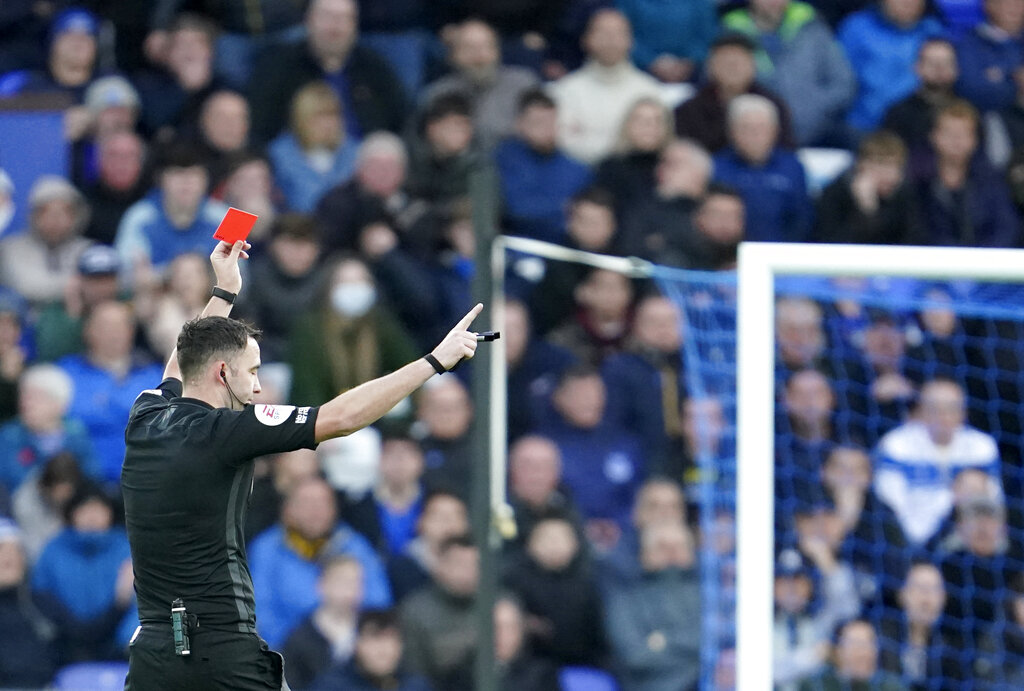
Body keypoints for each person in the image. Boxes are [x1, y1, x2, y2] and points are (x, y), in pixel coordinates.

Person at [120, 237, 484, 689]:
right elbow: (343, 417)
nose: (256, 389)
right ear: (222, 374)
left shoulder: (147, 412)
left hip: (155, 648)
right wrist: (433, 362)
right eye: (251, 372)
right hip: (218, 649)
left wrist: (225, 290)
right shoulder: (226, 433)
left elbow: (183, 360)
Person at [248, 476, 392, 649]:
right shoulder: (266, 549)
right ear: (288, 509)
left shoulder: (355, 545)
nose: (315, 511)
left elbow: (378, 604)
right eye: (306, 503)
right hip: (288, 656)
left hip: (350, 654)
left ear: (335, 509)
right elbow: (260, 613)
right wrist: (299, 649)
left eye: (323, 503)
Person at [248, 0, 408, 145]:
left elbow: (401, 123)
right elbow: (260, 127)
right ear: (308, 20)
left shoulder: (375, 68)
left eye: (345, 18)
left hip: (365, 168)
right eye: (327, 16)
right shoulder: (280, 66)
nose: (335, 26)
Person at [874, 377, 1001, 546]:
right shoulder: (896, 445)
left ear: (964, 412)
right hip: (909, 537)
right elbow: (891, 506)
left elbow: (993, 502)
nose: (945, 416)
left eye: (952, 408)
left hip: (963, 542)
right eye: (935, 409)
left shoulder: (982, 447)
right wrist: (951, 497)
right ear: (921, 411)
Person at [721, 0, 856, 146]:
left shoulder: (812, 27)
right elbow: (718, 83)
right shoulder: (730, 30)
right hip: (751, 136)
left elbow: (843, 83)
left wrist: (813, 111)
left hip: (816, 133)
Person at [56, 301, 163, 484]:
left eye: (121, 326)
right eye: (106, 327)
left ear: (131, 332)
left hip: (147, 481)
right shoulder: (65, 374)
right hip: (85, 482)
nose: (114, 333)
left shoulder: (155, 374)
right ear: (88, 331)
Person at [32, 484, 134, 663]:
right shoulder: (54, 549)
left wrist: (118, 608)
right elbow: (41, 593)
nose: (92, 517)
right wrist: (75, 629)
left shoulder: (125, 548)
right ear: (72, 514)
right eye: (84, 509)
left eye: (99, 509)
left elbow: (132, 602)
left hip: (117, 644)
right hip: (65, 642)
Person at [547, 9, 663, 164]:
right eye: (603, 33)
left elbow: (658, 142)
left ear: (631, 40)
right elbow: (564, 142)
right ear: (586, 40)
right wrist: (623, 146)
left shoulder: (649, 90)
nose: (610, 40)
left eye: (617, 33)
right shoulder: (564, 91)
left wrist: (589, 140)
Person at [603, 520, 702, 691]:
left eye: (679, 546)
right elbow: (635, 656)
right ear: (644, 554)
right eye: (662, 547)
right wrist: (693, 656)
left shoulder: (709, 595)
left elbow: (712, 643)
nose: (672, 553)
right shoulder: (626, 599)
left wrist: (663, 640)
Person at [502, 511, 606, 667]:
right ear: (530, 544)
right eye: (547, 538)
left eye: (561, 538)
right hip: (527, 669)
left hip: (583, 665)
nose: (554, 545)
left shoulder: (590, 582)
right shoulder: (511, 581)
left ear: (575, 544)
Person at [421, 18, 539, 151]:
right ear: (453, 55)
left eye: (486, 47)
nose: (479, 56)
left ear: (497, 51)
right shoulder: (437, 95)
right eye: (469, 48)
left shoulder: (523, 85)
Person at [494, 88, 592, 243]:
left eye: (551, 121)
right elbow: (514, 209)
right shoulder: (502, 160)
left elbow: (581, 217)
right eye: (538, 123)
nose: (547, 129)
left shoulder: (577, 170)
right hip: (515, 247)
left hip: (565, 250)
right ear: (519, 124)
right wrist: (561, 208)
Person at [712, 94, 812, 243]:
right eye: (746, 128)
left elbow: (803, 220)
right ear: (731, 131)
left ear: (775, 131)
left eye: (761, 128)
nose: (754, 135)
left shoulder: (793, 167)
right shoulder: (715, 167)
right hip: (728, 254)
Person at [674, 33, 796, 154]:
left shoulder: (773, 105)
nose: (733, 68)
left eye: (739, 61)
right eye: (726, 61)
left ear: (753, 65)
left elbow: (786, 151)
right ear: (710, 66)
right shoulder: (689, 111)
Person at [839, 0, 944, 135]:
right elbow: (840, 82)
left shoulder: (933, 30)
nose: (909, 3)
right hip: (864, 129)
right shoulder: (856, 29)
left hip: (920, 130)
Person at [814, 131, 922, 245]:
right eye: (881, 165)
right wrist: (866, 211)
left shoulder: (906, 195)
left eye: (896, 166)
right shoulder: (835, 195)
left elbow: (915, 241)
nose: (890, 175)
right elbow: (832, 244)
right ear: (861, 165)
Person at [400, 534, 479, 690]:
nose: (467, 572)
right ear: (439, 566)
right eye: (459, 564)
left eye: (475, 565)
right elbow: (414, 674)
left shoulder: (498, 605)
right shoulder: (414, 611)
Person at [0, 175, 92, 309]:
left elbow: (104, 287)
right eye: (46, 211)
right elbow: (26, 286)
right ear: (33, 215)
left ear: (76, 216)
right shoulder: (11, 249)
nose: (55, 220)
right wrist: (75, 285)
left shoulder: (88, 251)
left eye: (63, 212)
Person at [268, 81, 360, 213]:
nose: (327, 124)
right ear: (301, 119)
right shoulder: (277, 156)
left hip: (345, 229)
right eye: (319, 117)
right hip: (294, 227)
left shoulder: (355, 154)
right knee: (252, 204)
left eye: (333, 116)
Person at [281, 555, 364, 690]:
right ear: (321, 585)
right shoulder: (299, 640)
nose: (351, 591)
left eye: (357, 582)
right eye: (342, 582)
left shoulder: (372, 632)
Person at [309, 608, 432, 691]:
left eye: (390, 640)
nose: (383, 650)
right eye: (374, 640)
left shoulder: (417, 685)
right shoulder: (331, 686)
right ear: (356, 645)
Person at [0, 519, 59, 688]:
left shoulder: (41, 604)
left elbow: (82, 640)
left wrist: (119, 604)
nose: (9, 558)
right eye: (1, 549)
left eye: (16, 551)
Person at [881, 38, 959, 152]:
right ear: (917, 67)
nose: (939, 69)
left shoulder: (969, 112)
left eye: (946, 63)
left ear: (956, 69)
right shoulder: (898, 114)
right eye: (932, 63)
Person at [955, 0, 1024, 113]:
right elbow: (972, 90)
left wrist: (1000, 75)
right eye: (1008, 2)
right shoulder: (969, 44)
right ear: (989, 5)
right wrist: (1015, 81)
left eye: (1020, 3)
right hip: (989, 121)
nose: (1015, 8)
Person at [798, 620, 906, 690]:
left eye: (870, 644)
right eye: (857, 646)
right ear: (838, 651)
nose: (865, 653)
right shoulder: (814, 685)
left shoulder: (891, 686)